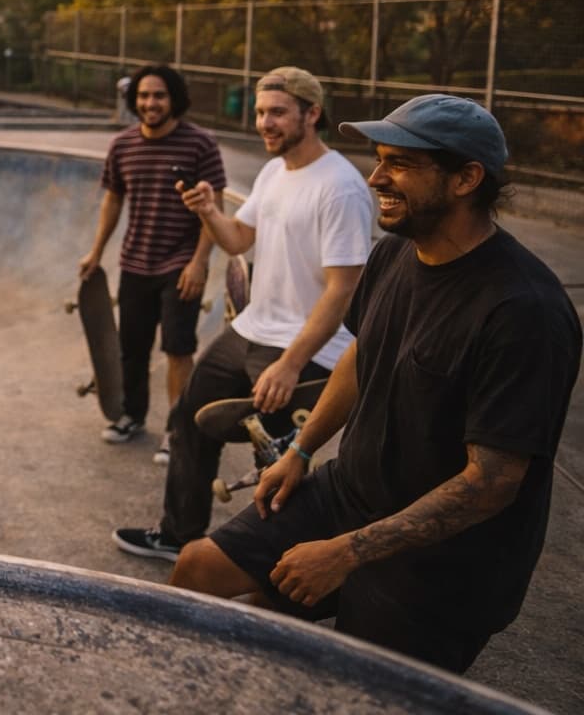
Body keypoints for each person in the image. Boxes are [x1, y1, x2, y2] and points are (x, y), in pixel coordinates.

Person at [172, 95, 581, 673]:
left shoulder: (522, 311)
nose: (375, 178)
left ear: (466, 178)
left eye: (400, 164)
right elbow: (363, 358)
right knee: (200, 568)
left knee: (353, 680)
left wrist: (346, 552)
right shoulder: (394, 255)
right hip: (351, 492)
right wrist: (302, 449)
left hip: (447, 560)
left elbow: (491, 484)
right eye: (379, 158)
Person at [114, 67, 372, 560]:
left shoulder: (340, 187)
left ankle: (274, 563)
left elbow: (344, 289)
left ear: (311, 113)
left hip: (304, 346)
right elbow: (238, 238)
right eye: (259, 112)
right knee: (189, 417)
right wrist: (208, 211)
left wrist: (292, 361)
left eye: (277, 112)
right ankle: (178, 534)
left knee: (275, 456)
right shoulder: (274, 171)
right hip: (251, 328)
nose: (265, 123)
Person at [78, 64, 226, 462]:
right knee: (132, 348)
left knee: (178, 350)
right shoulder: (123, 145)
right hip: (134, 263)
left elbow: (216, 209)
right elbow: (113, 199)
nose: (150, 103)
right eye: (143, 96)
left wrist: (199, 263)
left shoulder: (200, 144)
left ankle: (177, 432)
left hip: (180, 265)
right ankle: (132, 416)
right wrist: (96, 252)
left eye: (159, 95)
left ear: (174, 98)